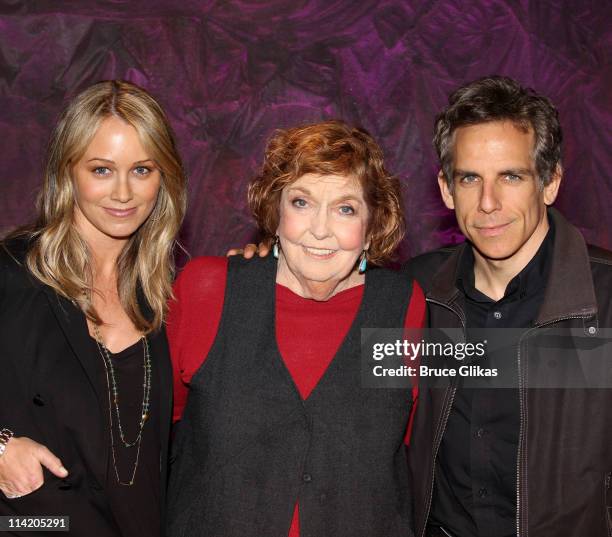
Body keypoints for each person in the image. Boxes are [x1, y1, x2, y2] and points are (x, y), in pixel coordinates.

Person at [165, 120, 426, 537]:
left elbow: (415, 440)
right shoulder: (207, 290)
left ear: (372, 224)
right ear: (276, 209)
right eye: (302, 202)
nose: (320, 230)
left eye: (345, 209)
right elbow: (153, 425)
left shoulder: (401, 307)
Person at [407, 76, 612, 537]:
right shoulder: (412, 295)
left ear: (550, 181)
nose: (488, 203)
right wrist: (267, 271)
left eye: (511, 176)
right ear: (445, 188)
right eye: (469, 178)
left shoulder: (606, 302)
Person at [0, 80, 187, 536]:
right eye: (101, 170)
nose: (123, 193)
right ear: (68, 172)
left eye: (142, 170)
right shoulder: (12, 272)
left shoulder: (165, 297)